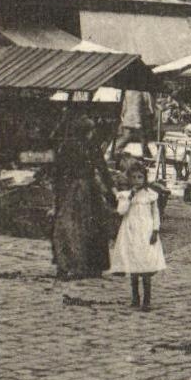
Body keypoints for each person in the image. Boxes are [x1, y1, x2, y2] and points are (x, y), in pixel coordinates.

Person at [52, 113, 115, 280]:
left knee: (67, 227)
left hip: (69, 189)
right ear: (88, 131)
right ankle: (89, 266)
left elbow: (57, 170)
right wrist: (110, 191)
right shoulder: (92, 146)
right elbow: (102, 169)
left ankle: (65, 265)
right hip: (87, 189)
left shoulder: (66, 145)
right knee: (89, 226)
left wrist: (57, 192)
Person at [109, 160, 165, 310]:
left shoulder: (151, 195)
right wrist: (129, 197)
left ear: (145, 178)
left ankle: (146, 301)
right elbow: (121, 211)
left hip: (145, 231)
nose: (137, 180)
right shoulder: (126, 195)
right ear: (129, 179)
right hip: (131, 232)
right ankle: (135, 298)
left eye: (140, 177)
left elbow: (156, 214)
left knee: (145, 266)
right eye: (133, 177)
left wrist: (155, 230)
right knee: (134, 266)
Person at [113, 87, 156, 157]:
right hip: (137, 120)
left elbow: (125, 105)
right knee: (142, 138)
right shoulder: (139, 92)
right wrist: (138, 121)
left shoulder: (128, 91)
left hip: (128, 118)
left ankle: (115, 150)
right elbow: (136, 107)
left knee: (128, 137)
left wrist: (123, 115)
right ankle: (147, 155)